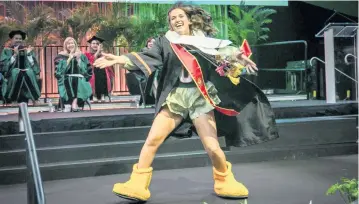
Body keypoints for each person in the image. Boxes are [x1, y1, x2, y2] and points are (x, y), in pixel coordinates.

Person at [94, 3, 278, 202]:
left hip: (201, 98)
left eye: (180, 16)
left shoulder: (205, 42)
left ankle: (224, 180)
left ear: (190, 19)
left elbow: (226, 54)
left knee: (213, 147)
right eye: (172, 18)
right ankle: (137, 184)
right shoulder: (166, 42)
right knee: (152, 140)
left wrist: (237, 57)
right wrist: (120, 59)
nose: (176, 20)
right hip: (176, 98)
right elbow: (149, 57)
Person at [0, 30, 41, 104]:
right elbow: (4, 66)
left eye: (20, 38)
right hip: (11, 75)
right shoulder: (7, 51)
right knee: (16, 72)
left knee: (29, 71)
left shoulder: (27, 50)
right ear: (11, 39)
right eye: (16, 38)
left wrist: (28, 55)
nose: (18, 40)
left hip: (26, 72)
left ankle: (35, 98)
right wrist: (14, 55)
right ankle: (13, 99)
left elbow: (34, 66)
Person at [54, 37, 92, 112]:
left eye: (72, 43)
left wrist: (78, 60)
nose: (70, 45)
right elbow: (59, 71)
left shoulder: (81, 56)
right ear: (65, 45)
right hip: (66, 78)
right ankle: (73, 103)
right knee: (72, 80)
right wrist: (69, 58)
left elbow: (86, 70)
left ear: (75, 44)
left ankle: (72, 103)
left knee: (78, 81)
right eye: (68, 43)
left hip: (80, 78)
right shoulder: (60, 56)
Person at [85, 36, 114, 102]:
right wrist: (97, 52)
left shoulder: (103, 54)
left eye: (97, 44)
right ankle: (94, 95)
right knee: (95, 73)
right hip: (91, 71)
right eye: (93, 43)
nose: (95, 45)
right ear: (90, 45)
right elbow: (92, 62)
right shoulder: (87, 54)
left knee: (102, 72)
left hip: (102, 72)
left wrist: (102, 54)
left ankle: (102, 95)